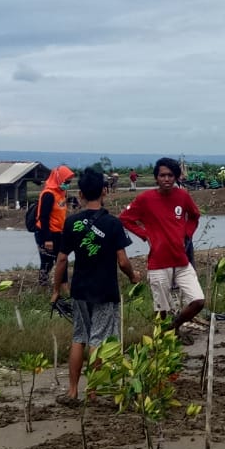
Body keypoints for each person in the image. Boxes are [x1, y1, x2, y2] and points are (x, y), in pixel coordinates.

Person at [50, 168, 140, 404]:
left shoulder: (71, 222)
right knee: (98, 340)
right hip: (105, 290)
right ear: (104, 191)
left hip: (80, 289)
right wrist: (133, 276)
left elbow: (61, 260)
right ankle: (93, 391)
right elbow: (122, 261)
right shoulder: (112, 223)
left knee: (79, 337)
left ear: (80, 194)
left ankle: (72, 392)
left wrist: (56, 290)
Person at [119, 158, 205, 335]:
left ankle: (174, 326)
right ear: (156, 178)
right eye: (162, 175)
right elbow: (125, 218)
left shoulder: (183, 196)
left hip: (181, 261)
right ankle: (162, 343)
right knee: (161, 310)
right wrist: (145, 235)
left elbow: (195, 216)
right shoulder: (146, 199)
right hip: (158, 263)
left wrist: (187, 234)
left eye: (170, 175)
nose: (166, 179)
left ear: (176, 177)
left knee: (198, 301)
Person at [34, 165, 75, 287]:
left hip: (59, 232)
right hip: (47, 233)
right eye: (66, 182)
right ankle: (43, 285)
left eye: (69, 182)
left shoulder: (62, 192)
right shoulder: (48, 194)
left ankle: (63, 286)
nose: (67, 184)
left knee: (62, 259)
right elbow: (43, 217)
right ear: (58, 179)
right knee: (47, 262)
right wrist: (47, 239)